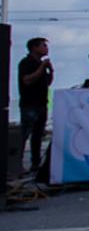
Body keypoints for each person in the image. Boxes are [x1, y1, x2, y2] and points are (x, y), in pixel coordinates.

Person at [18, 37, 53, 174]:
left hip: (42, 103)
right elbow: (27, 80)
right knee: (25, 134)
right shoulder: (26, 63)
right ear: (34, 47)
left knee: (38, 135)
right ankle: (17, 162)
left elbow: (46, 83)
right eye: (43, 46)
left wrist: (50, 71)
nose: (46, 48)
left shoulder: (40, 64)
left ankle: (36, 163)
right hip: (30, 104)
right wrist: (42, 67)